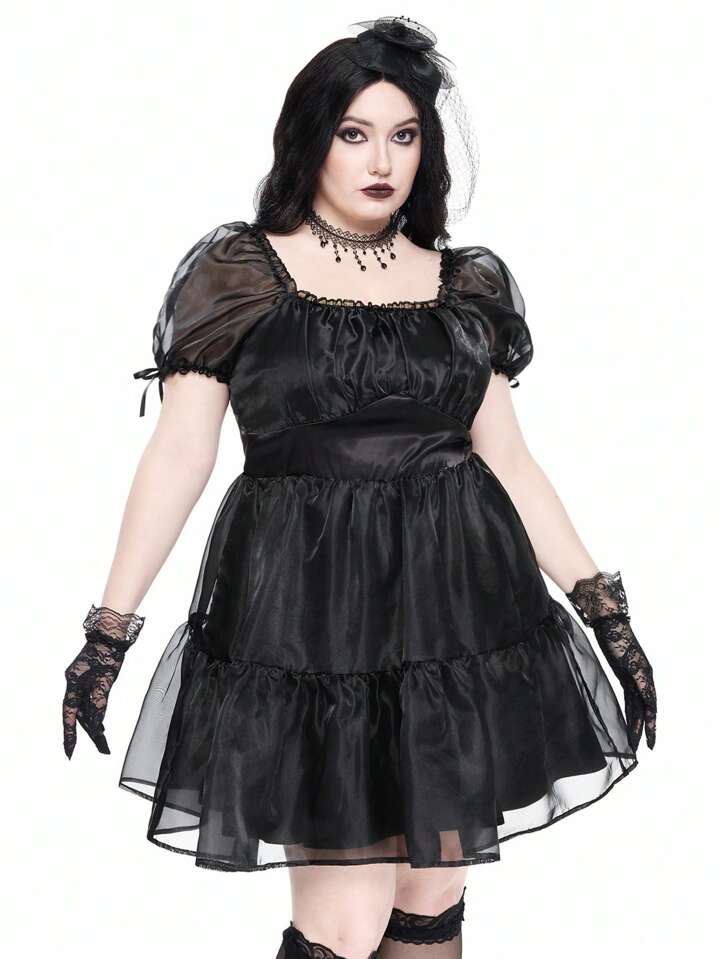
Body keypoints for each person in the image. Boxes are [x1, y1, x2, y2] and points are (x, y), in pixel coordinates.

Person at [62, 15, 657, 959]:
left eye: (404, 135)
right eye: (355, 133)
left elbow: (509, 460)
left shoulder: (463, 286)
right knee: (344, 920)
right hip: (312, 621)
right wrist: (108, 633)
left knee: (432, 896)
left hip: (455, 615)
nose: (382, 161)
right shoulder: (241, 273)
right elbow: (179, 453)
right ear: (312, 138)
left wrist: (606, 615)